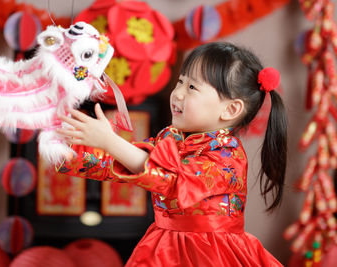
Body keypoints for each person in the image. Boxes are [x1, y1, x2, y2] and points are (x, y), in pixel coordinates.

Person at [56, 42, 287, 267]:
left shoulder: (228, 157)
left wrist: (110, 141)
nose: (177, 94)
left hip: (211, 254)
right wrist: (61, 149)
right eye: (180, 81)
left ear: (230, 109)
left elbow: (170, 181)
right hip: (163, 247)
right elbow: (125, 163)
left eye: (192, 87)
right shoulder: (171, 137)